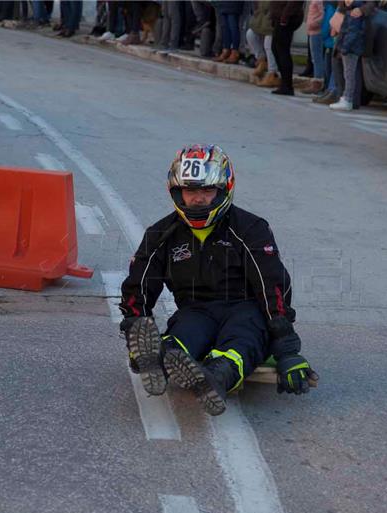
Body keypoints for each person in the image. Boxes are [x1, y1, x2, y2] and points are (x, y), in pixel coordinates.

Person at [118, 145, 318, 416]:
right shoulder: (160, 234)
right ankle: (158, 357)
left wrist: (287, 349)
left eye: (206, 191)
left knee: (240, 342)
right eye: (190, 191)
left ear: (224, 189)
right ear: (177, 193)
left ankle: (216, 378)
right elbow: (138, 284)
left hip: (245, 309)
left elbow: (272, 285)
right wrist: (135, 321)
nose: (198, 199)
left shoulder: (250, 228)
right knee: (182, 337)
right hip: (195, 310)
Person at [269, 1, 304, 96]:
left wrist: (285, 16)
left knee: (282, 50)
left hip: (287, 18)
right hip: (279, 17)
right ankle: (284, 82)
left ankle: (287, 85)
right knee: (275, 49)